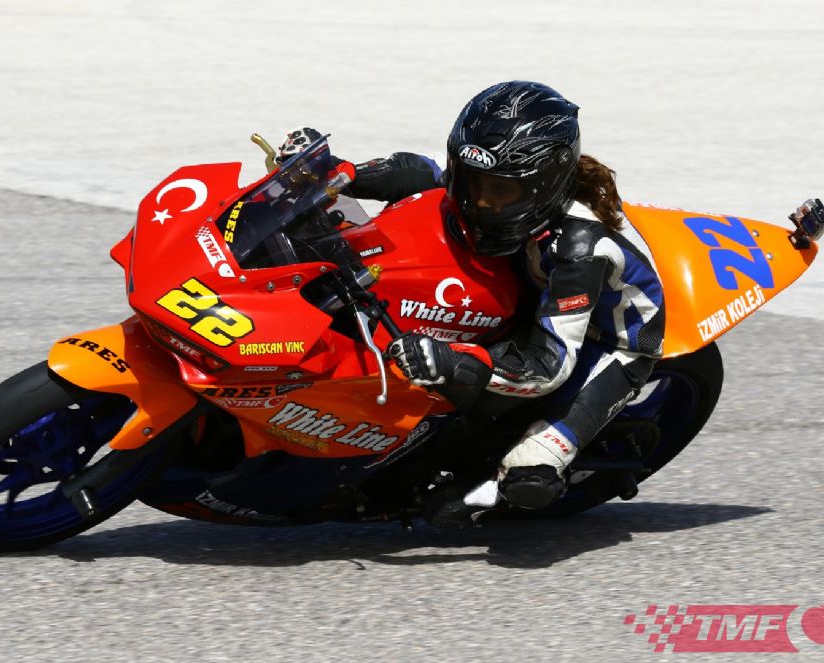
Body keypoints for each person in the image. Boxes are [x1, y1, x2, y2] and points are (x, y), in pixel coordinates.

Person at [278, 81, 665, 526]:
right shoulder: (499, 173)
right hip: (538, 288)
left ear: (544, 186)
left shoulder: (579, 251)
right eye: (473, 181)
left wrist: (453, 360)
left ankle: (488, 492)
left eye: (500, 191)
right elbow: (419, 170)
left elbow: (548, 367)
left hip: (608, 342)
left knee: (528, 471)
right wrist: (336, 172)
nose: (480, 199)